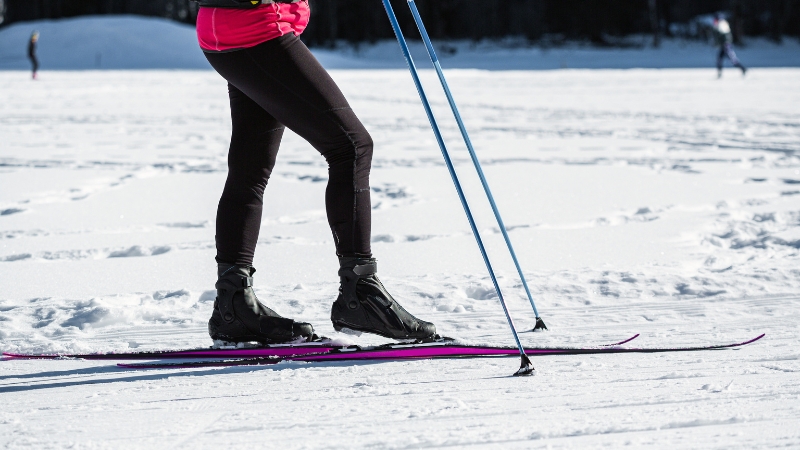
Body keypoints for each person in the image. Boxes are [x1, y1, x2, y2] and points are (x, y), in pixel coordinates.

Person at [194, 0, 437, 345]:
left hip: (233, 30)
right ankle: (361, 295)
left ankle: (234, 307)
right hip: (255, 28)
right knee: (351, 148)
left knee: (250, 168)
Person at [712, 13, 746, 78]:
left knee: (732, 59)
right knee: (720, 59)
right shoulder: (721, 24)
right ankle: (719, 73)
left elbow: (722, 36)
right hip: (724, 45)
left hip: (726, 45)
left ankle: (742, 69)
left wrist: (720, 42)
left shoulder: (721, 24)